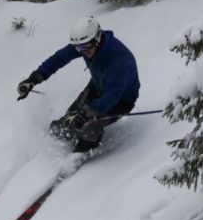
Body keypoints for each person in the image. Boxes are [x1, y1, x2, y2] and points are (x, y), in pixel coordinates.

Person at [17, 16, 140, 152]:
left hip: (121, 100)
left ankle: (76, 157)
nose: (83, 52)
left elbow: (113, 94)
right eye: (79, 48)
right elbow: (59, 58)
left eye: (86, 47)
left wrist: (86, 113)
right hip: (96, 87)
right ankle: (51, 148)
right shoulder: (84, 44)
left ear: (97, 38)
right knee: (66, 124)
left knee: (89, 126)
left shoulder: (118, 58)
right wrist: (34, 79)